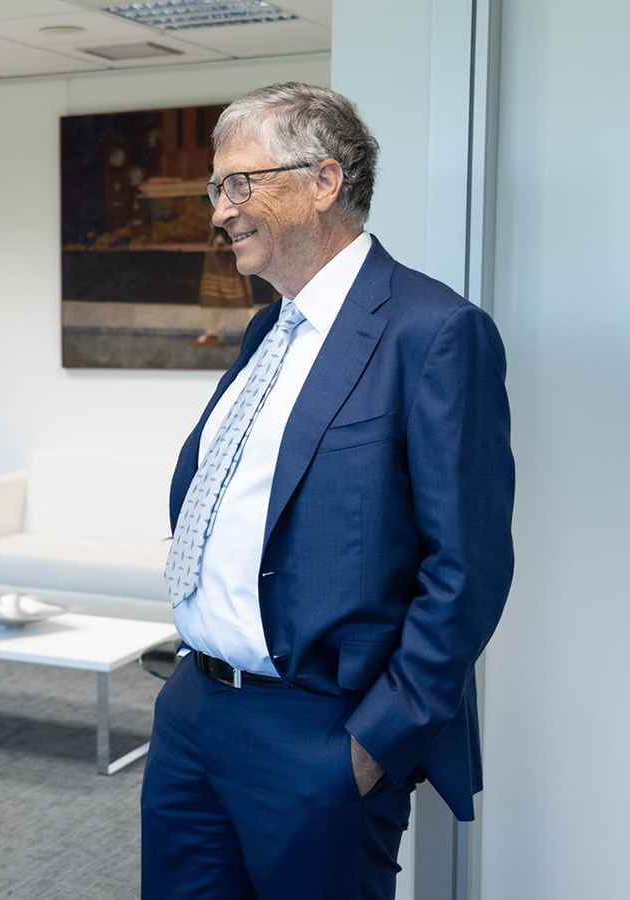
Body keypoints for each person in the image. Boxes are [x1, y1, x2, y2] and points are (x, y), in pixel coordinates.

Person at [143, 82, 515, 900]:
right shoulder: (266, 327)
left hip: (319, 735)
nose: (220, 211)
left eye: (240, 183)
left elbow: (468, 568)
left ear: (323, 181)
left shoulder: (434, 332)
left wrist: (374, 742)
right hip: (194, 712)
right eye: (216, 189)